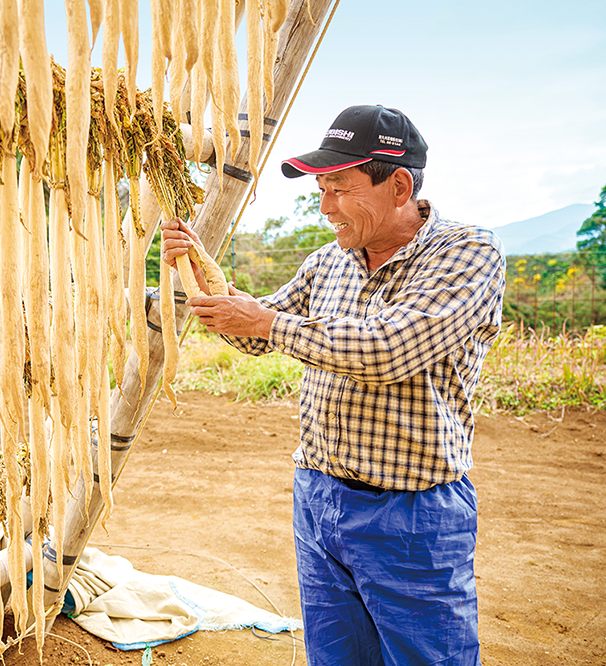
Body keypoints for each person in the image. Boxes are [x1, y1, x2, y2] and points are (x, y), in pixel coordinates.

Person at [160, 104, 505, 665]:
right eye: (322, 190)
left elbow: (390, 347)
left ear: (398, 186)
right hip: (320, 498)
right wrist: (205, 276)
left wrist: (265, 321)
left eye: (339, 189)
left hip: (410, 513)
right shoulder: (329, 262)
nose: (325, 208)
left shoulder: (468, 253)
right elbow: (258, 333)